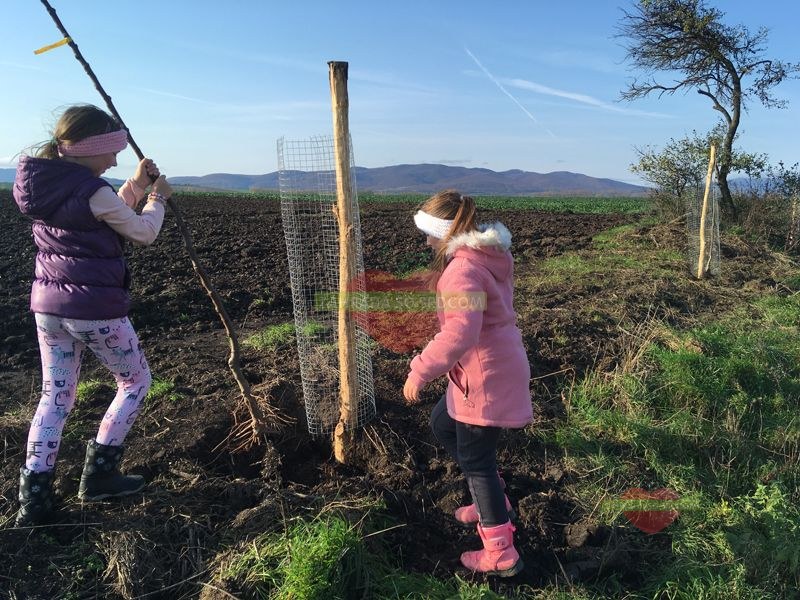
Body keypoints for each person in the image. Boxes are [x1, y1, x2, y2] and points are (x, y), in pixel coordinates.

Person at [12, 104, 174, 527]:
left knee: (55, 396)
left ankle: (35, 500)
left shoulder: (48, 185)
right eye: (111, 152)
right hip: (95, 311)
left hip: (48, 307)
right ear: (88, 150)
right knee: (136, 381)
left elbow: (97, 215)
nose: (116, 160)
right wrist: (157, 199)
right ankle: (100, 475)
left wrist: (134, 187)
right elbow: (141, 232)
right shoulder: (93, 190)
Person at [403, 190, 532, 576]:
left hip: (484, 375)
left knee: (476, 459)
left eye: (428, 233)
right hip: (491, 366)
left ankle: (500, 551)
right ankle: (490, 497)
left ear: (444, 232)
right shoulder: (486, 256)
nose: (425, 242)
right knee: (443, 423)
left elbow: (459, 334)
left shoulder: (462, 272)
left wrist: (420, 369)